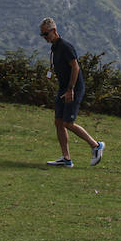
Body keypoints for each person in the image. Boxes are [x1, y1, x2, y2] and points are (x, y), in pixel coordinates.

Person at [40, 18, 104, 168]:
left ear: (54, 31)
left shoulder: (65, 46)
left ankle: (96, 145)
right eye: (42, 35)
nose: (44, 37)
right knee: (58, 122)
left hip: (73, 89)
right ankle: (66, 159)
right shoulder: (55, 48)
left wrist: (71, 89)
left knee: (68, 123)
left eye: (46, 34)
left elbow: (75, 68)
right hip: (63, 88)